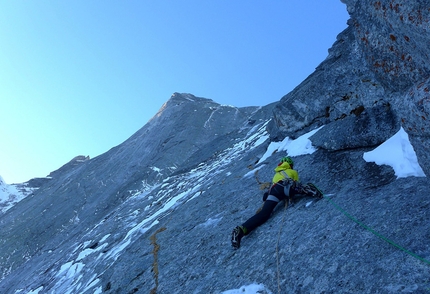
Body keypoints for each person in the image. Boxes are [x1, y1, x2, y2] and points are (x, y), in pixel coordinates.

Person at [231, 156, 322, 249]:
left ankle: (241, 229)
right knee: (297, 188)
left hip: (274, 192)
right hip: (286, 186)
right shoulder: (293, 172)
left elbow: (267, 194)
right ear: (290, 165)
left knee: (264, 214)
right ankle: (308, 189)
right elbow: (295, 182)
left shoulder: (276, 175)